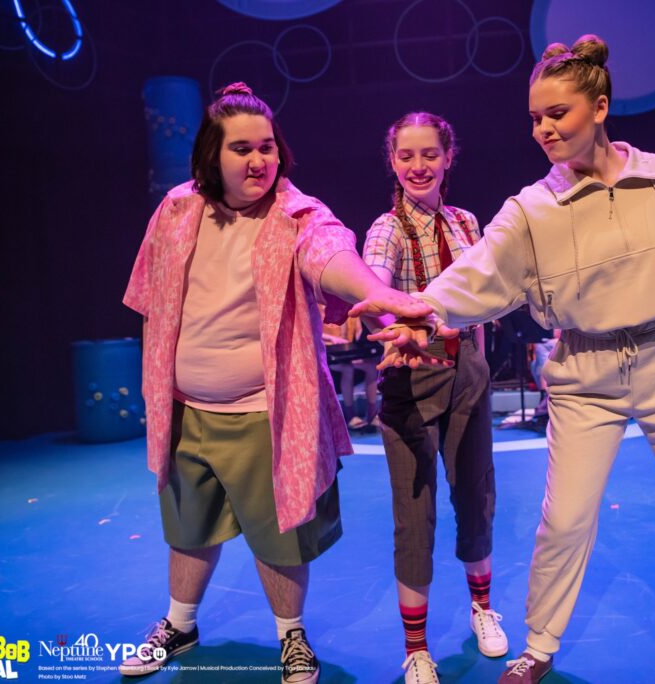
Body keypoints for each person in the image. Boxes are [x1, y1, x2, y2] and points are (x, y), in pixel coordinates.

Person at [360, 36, 655, 684]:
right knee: (565, 519)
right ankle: (538, 648)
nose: (544, 128)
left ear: (600, 106)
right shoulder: (531, 208)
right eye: (535, 117)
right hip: (587, 370)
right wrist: (416, 314)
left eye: (558, 113)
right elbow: (476, 276)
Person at [120, 82, 430, 683]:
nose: (260, 160)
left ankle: (293, 639)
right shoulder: (177, 210)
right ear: (213, 155)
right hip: (185, 411)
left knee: (280, 538)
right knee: (188, 530)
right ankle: (179, 626)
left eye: (267, 147)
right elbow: (150, 300)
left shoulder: (298, 215)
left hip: (265, 413)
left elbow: (332, 256)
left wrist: (383, 296)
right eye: (242, 149)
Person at [361, 111, 507, 684]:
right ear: (391, 161)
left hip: (469, 373)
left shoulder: (468, 222)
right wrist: (394, 315)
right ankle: (416, 647)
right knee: (413, 516)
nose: (418, 166)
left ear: (449, 157)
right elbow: (375, 280)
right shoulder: (387, 228)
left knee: (477, 498)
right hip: (409, 383)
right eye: (406, 156)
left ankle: (481, 609)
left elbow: (491, 290)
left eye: (429, 154)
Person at [321, 314, 380, 430]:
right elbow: (313, 330)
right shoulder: (320, 307)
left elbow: (358, 333)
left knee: (372, 367)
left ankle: (372, 415)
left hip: (347, 354)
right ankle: (350, 416)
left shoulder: (349, 309)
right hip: (329, 356)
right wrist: (331, 338)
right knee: (347, 369)